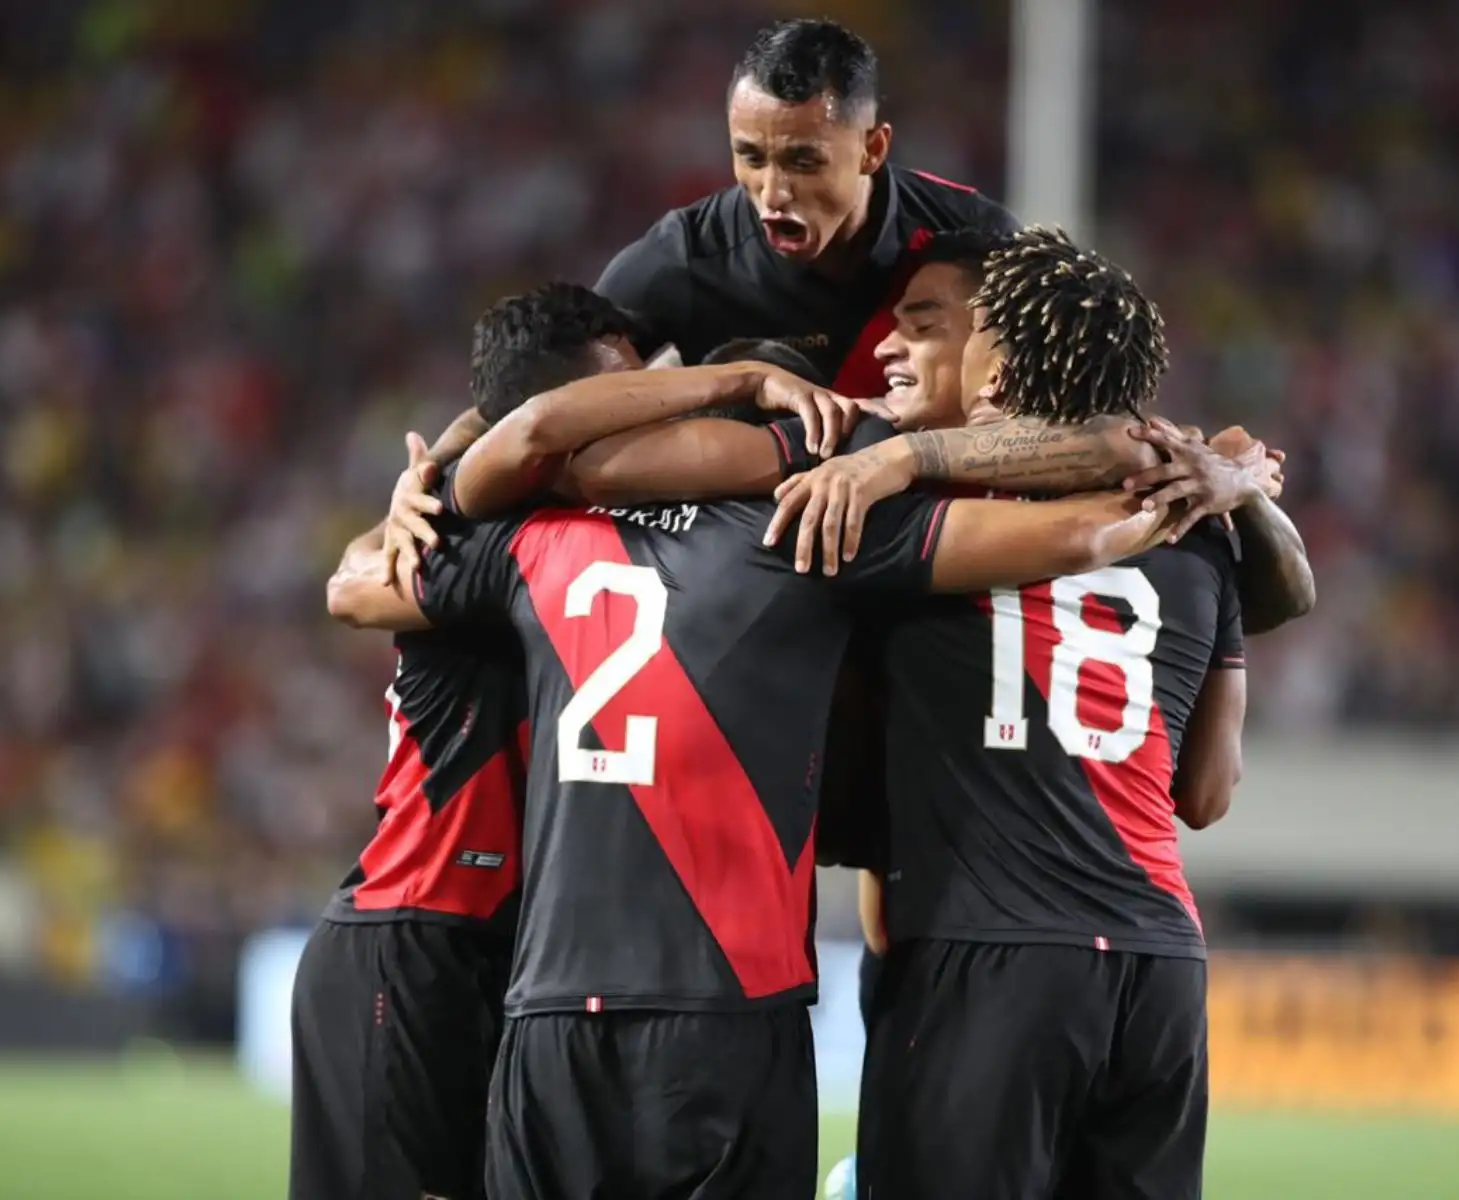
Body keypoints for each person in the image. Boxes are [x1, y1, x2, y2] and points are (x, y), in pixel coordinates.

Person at [326, 294, 1194, 1200]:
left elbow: (359, 583)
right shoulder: (811, 537)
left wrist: (425, 481)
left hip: (551, 1005)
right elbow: (1077, 526)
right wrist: (1189, 498)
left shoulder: (532, 538)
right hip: (733, 1005)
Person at [807, 226, 1307, 1200]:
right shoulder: (1200, 531)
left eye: (943, 328)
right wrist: (1236, 480)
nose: (900, 349)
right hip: (1159, 965)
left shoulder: (919, 504)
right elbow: (1207, 793)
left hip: (988, 949)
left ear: (1000, 368)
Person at [378, 17, 1018, 581]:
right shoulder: (683, 261)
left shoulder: (975, 241)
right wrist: (428, 476)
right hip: (763, 567)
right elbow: (539, 392)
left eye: (803, 162)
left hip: (941, 540)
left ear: (872, 148)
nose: (773, 193)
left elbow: (1066, 415)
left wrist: (903, 457)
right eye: (750, 157)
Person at [289, 285, 644, 1200]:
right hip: (412, 940)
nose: (638, 418)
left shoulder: (575, 532)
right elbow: (352, 586)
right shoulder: (479, 540)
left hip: (496, 950)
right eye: (614, 398)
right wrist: (431, 476)